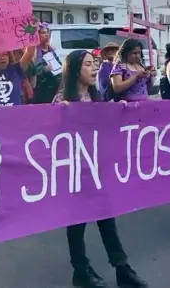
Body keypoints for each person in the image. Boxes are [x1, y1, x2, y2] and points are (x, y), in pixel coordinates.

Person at [54, 50, 148, 288]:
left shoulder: (97, 99)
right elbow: (52, 135)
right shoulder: (61, 100)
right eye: (88, 64)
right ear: (75, 69)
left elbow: (105, 127)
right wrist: (59, 114)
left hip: (96, 170)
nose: (94, 69)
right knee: (76, 223)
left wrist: (120, 111)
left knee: (106, 218)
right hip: (75, 172)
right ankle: (81, 270)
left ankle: (122, 268)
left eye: (94, 64)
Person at [34, 24, 62, 104]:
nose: (46, 35)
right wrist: (44, 69)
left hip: (54, 86)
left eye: (47, 32)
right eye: (43, 32)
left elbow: (59, 64)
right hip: (41, 88)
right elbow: (32, 69)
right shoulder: (35, 51)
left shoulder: (51, 49)